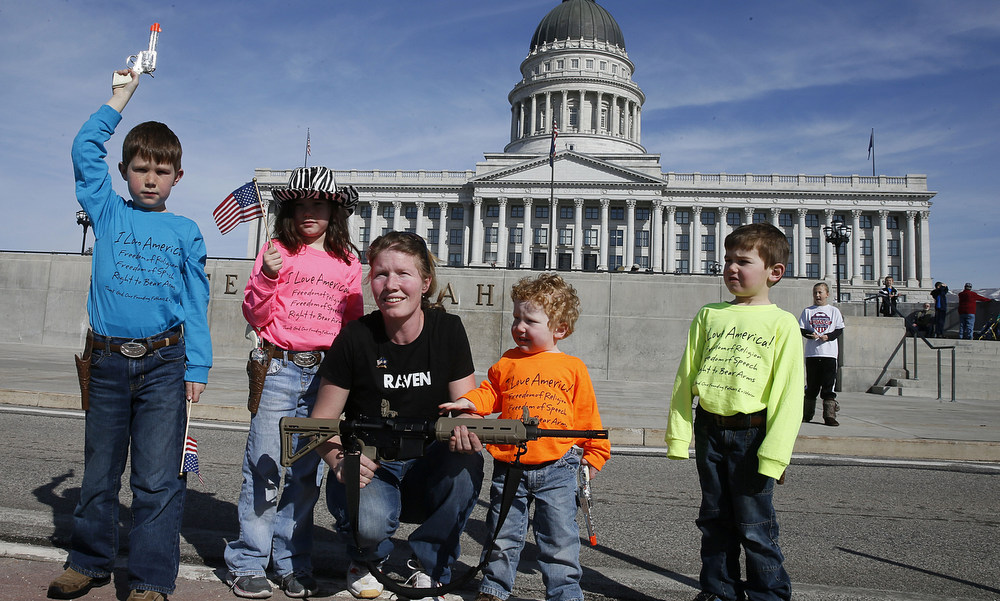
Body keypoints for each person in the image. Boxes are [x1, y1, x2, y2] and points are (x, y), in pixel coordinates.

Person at [47, 70, 212, 601]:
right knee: (100, 472)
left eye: (160, 171)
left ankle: (149, 578)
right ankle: (90, 560)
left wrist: (199, 366)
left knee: (158, 480)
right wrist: (122, 96)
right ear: (122, 171)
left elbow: (195, 302)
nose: (149, 178)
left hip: (165, 364)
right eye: (139, 168)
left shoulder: (185, 231)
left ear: (177, 177)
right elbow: (82, 148)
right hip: (108, 363)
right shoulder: (107, 211)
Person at [311, 231, 485, 601]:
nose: (391, 285)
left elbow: (468, 409)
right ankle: (365, 558)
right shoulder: (355, 338)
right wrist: (339, 461)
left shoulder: (448, 330)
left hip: (428, 466)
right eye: (380, 274)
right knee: (371, 521)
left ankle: (431, 566)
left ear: (425, 282)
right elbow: (319, 423)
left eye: (403, 274)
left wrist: (470, 432)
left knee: (467, 467)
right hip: (372, 466)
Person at [224, 167, 363, 599]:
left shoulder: (348, 262)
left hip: (325, 377)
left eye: (319, 204)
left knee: (306, 476)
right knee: (264, 467)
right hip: (279, 367)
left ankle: (291, 562)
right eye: (301, 204)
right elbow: (255, 315)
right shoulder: (276, 250)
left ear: (334, 211)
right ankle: (248, 559)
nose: (309, 212)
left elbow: (353, 326)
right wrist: (266, 275)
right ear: (289, 209)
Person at [440, 273, 612, 601]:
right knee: (501, 534)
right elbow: (490, 393)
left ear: (559, 328)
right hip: (510, 467)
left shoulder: (572, 367)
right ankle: (493, 588)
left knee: (559, 540)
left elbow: (588, 416)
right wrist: (469, 402)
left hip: (559, 466)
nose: (519, 326)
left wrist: (594, 456)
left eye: (530, 320)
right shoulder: (508, 361)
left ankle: (564, 594)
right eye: (516, 318)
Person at [665, 223, 803, 601]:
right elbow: (685, 379)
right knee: (714, 520)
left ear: (774, 272)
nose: (731, 268)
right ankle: (717, 591)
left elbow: (788, 393)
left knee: (755, 524)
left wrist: (775, 453)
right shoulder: (709, 315)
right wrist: (680, 436)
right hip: (710, 428)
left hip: (753, 434)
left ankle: (769, 594)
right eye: (727, 260)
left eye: (743, 261)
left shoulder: (782, 323)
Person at [798, 282, 845, 426]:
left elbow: (839, 330)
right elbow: (801, 328)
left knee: (828, 386)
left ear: (827, 294)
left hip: (829, 354)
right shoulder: (808, 311)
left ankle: (829, 415)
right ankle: (807, 414)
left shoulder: (833, 311)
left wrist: (828, 337)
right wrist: (810, 334)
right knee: (812, 386)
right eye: (815, 293)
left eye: (820, 292)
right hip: (813, 354)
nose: (817, 295)